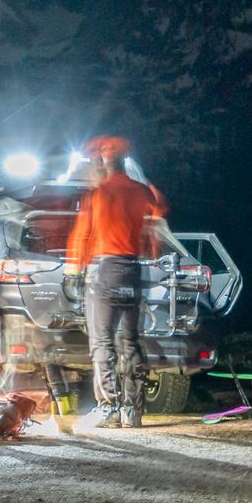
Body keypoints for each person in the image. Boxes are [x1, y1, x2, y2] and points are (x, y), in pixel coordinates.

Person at [64, 136, 168, 428]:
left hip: (105, 272)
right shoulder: (141, 192)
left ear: (104, 163)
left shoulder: (98, 195)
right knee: (129, 342)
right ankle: (132, 411)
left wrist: (74, 272)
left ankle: (108, 407)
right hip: (133, 271)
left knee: (102, 342)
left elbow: (82, 236)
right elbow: (158, 218)